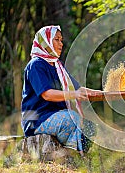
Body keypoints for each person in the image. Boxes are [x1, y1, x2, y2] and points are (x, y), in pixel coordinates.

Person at [21, 25, 100, 154]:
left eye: (61, 40)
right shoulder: (36, 65)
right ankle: (71, 157)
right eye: (56, 39)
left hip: (57, 116)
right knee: (71, 119)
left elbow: (78, 89)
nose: (61, 44)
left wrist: (107, 93)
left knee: (90, 127)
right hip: (36, 121)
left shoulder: (58, 66)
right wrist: (74, 94)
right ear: (45, 42)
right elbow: (47, 94)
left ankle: (73, 156)